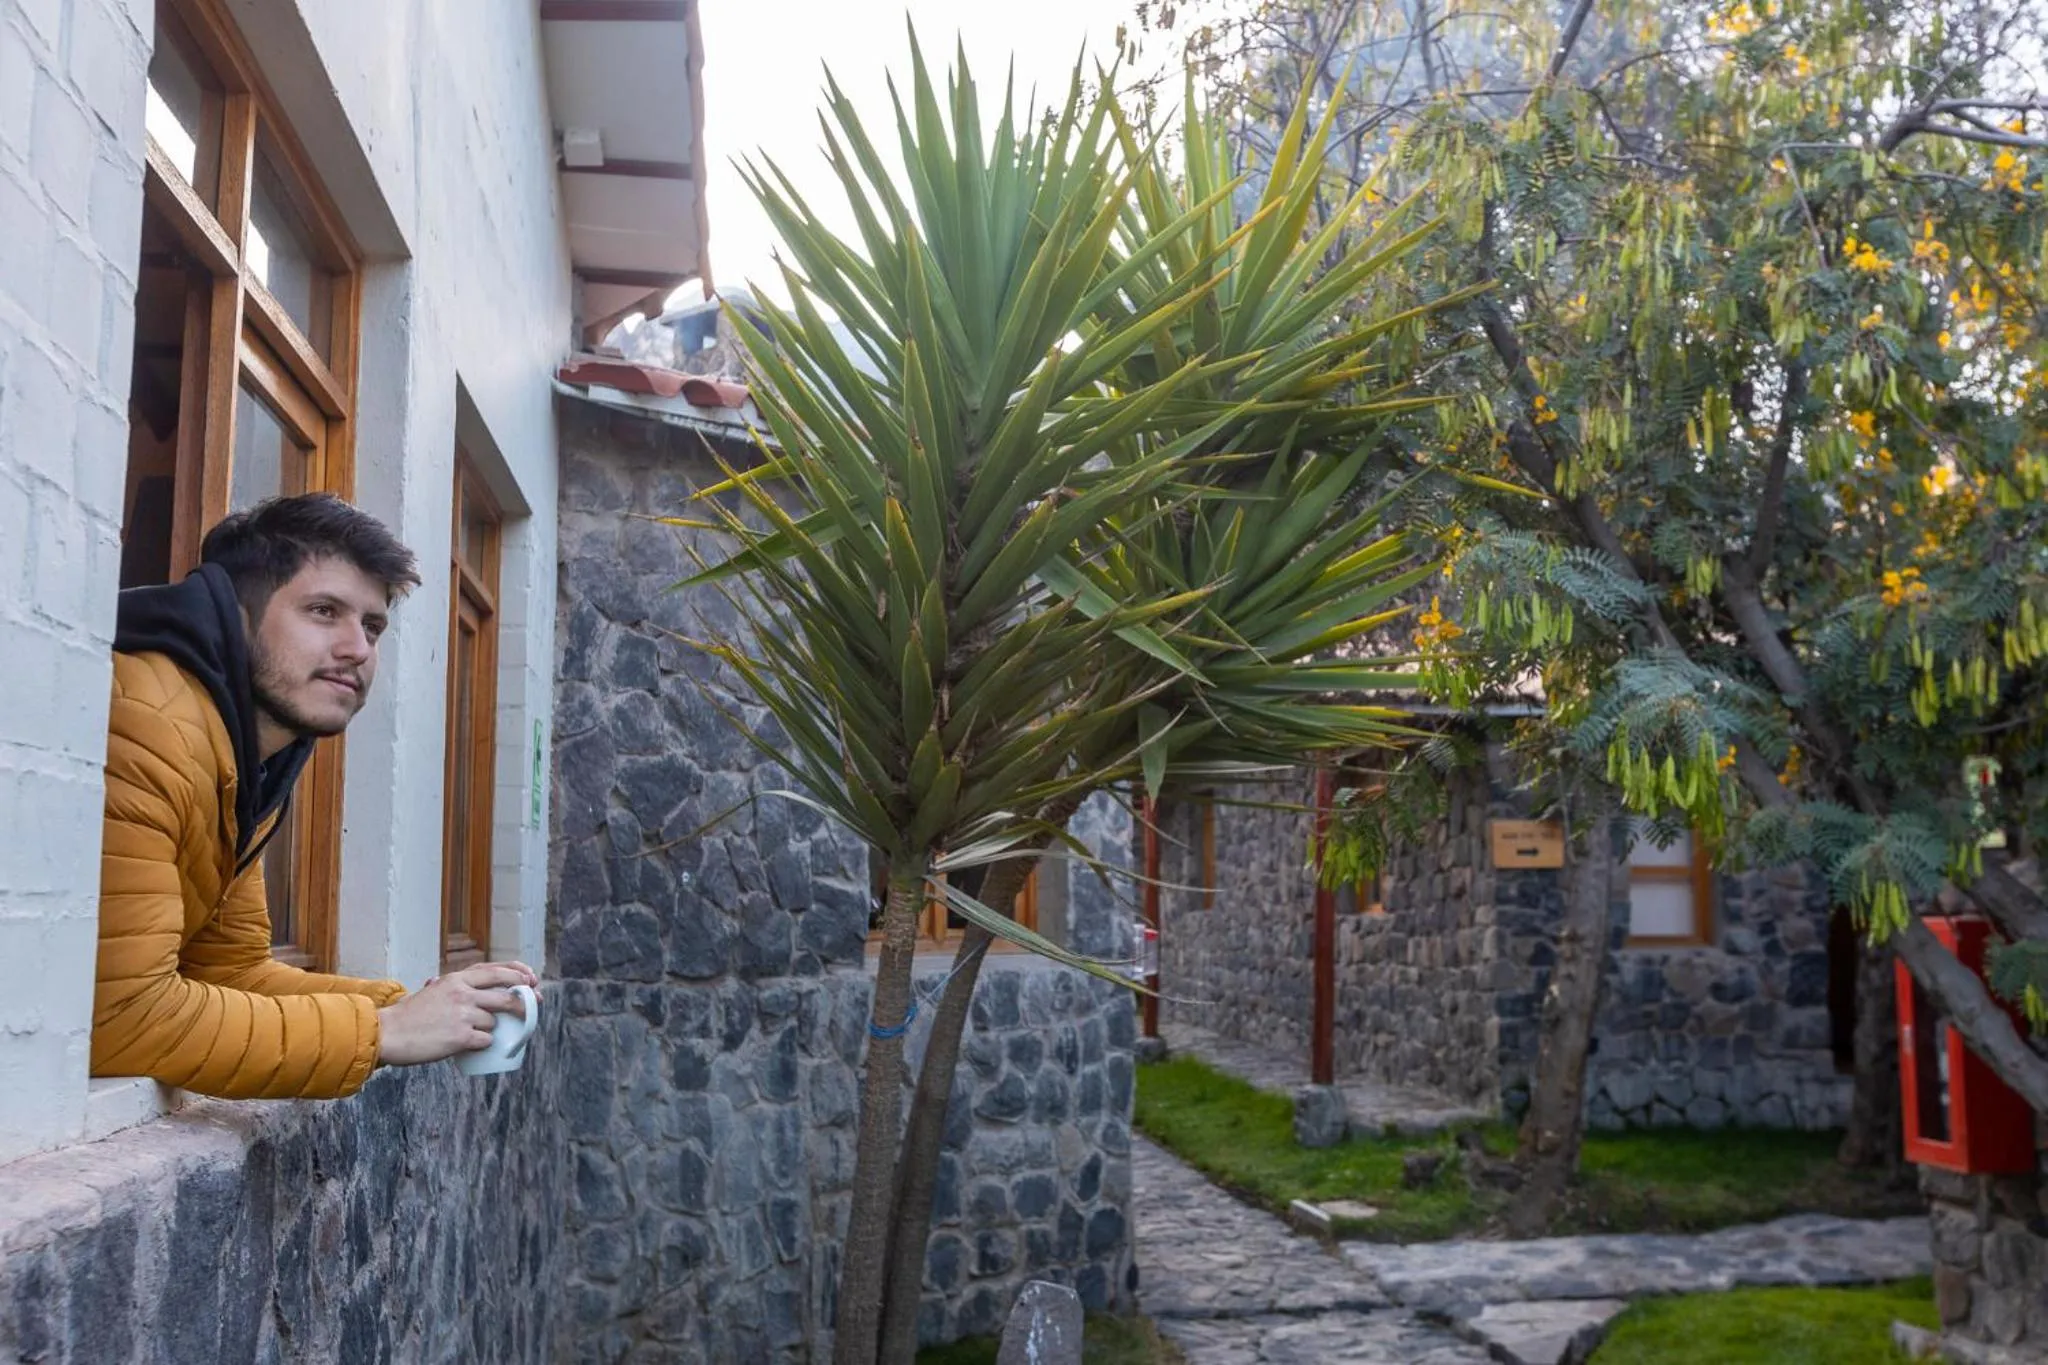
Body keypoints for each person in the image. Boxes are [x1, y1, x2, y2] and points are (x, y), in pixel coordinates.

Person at [91, 493, 537, 1098]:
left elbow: (230, 972)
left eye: (373, 625)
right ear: (237, 614)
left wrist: (414, 1006)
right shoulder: (150, 725)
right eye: (324, 611)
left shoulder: (242, 753)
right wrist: (382, 1031)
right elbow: (119, 1019)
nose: (359, 648)